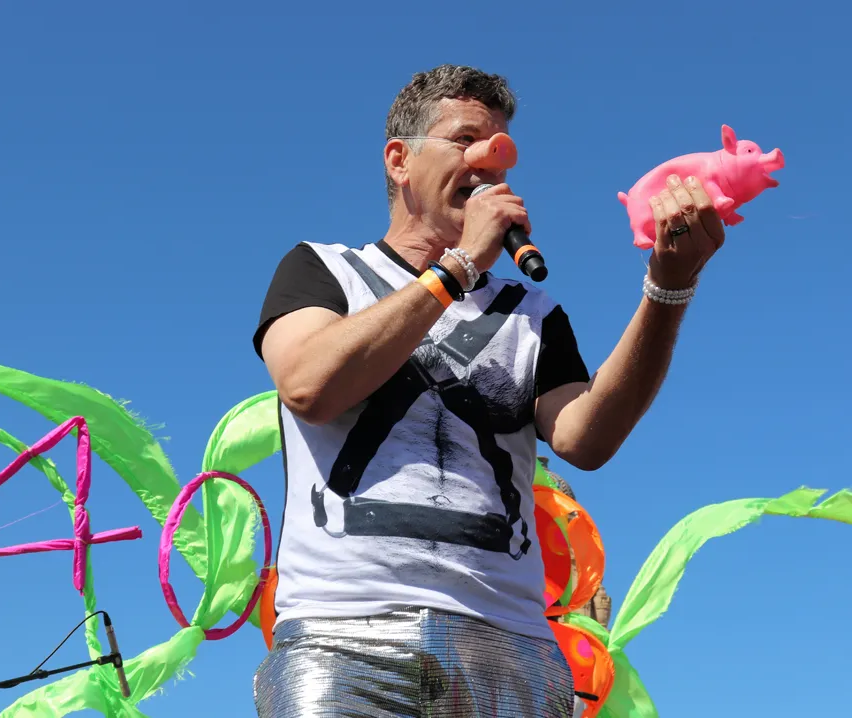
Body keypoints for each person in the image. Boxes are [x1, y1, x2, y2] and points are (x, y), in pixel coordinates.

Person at [249, 64, 724, 717]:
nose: (488, 163)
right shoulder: (323, 269)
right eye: (465, 140)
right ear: (399, 160)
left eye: (499, 151)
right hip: (346, 634)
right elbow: (309, 386)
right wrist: (458, 267)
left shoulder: (534, 313)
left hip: (509, 649)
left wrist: (668, 288)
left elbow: (585, 439)